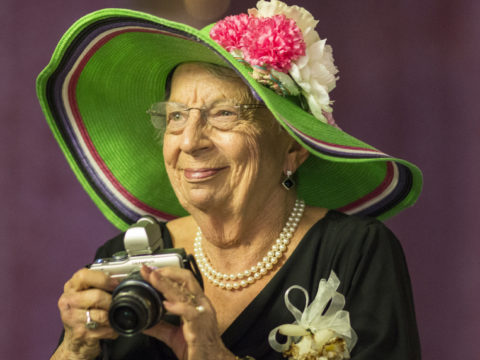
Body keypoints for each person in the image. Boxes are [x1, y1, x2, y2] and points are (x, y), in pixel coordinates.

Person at [37, 1, 423, 359]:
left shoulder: (355, 253)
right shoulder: (126, 258)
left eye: (223, 113)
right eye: (175, 116)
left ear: (292, 148)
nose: (189, 141)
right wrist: (75, 347)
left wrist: (213, 353)